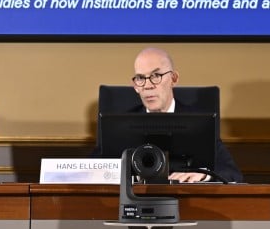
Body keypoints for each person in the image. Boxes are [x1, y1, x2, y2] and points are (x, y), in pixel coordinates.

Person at [92, 47, 243, 182]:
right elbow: (88, 170)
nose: (148, 85)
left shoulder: (200, 124)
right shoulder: (119, 126)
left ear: (173, 79)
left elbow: (232, 174)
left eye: (156, 75)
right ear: (135, 87)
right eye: (140, 78)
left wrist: (205, 175)